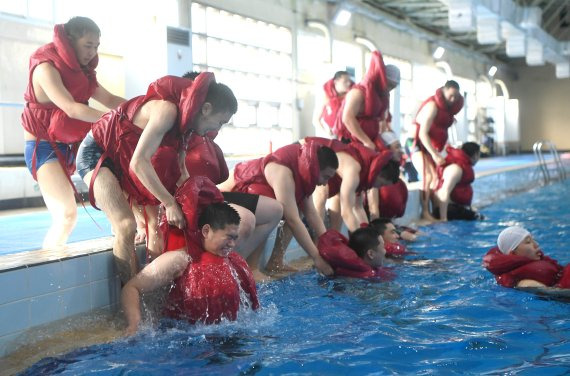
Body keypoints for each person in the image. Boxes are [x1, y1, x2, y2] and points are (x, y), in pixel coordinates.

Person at [76, 72, 237, 284]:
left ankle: (152, 291)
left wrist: (200, 206)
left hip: (123, 157)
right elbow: (139, 162)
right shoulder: (167, 111)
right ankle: (129, 296)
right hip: (98, 153)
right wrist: (169, 203)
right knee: (126, 225)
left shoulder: (188, 126)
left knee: (159, 227)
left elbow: (181, 171)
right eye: (220, 122)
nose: (218, 129)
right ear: (206, 109)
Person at [21, 16, 124, 250]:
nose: (92, 52)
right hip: (43, 147)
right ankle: (48, 262)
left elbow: (108, 99)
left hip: (73, 145)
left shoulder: (83, 72)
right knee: (66, 215)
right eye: (88, 45)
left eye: (96, 47)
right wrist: (116, 120)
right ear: (69, 41)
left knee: (119, 188)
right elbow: (71, 108)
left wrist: (142, 109)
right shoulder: (45, 68)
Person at [122, 176, 259, 335]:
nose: (232, 245)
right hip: (182, 335)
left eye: (234, 238)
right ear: (206, 231)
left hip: (220, 331)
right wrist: (134, 324)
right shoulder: (180, 259)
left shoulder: (227, 257)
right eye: (228, 238)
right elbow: (131, 288)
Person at [218, 141, 338, 276]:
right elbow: (292, 220)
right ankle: (252, 268)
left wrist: (329, 243)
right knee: (271, 208)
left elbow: (311, 214)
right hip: (227, 195)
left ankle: (276, 261)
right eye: (326, 177)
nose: (325, 183)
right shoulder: (283, 171)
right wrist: (316, 257)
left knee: (296, 209)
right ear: (315, 168)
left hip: (249, 198)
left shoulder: (304, 171)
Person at [303, 137, 397, 233]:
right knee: (322, 192)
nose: (378, 187)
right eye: (381, 184)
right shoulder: (354, 169)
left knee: (338, 197)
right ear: (379, 173)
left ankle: (332, 237)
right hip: (302, 150)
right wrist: (362, 241)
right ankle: (319, 239)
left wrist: (370, 235)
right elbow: (347, 212)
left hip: (318, 165)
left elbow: (358, 207)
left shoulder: (364, 172)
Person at [411, 80, 464, 221]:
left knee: (435, 178)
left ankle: (435, 211)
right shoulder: (432, 106)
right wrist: (435, 155)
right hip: (415, 143)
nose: (453, 100)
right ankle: (425, 212)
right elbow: (422, 134)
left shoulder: (447, 110)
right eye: (451, 95)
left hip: (428, 147)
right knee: (428, 176)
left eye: (456, 97)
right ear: (444, 91)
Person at [335, 51, 400, 151]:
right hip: (349, 141)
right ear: (382, 79)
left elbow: (382, 121)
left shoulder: (383, 96)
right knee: (354, 167)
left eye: (393, 87)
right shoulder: (358, 92)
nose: (390, 89)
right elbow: (347, 118)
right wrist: (366, 141)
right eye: (389, 84)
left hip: (370, 141)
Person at [483, 226, 570, 289]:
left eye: (533, 240)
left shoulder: (539, 264)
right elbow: (559, 296)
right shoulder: (526, 283)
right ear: (513, 253)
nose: (536, 245)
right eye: (528, 242)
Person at [318, 227, 394, 280]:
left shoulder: (342, 270)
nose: (385, 251)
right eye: (383, 247)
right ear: (371, 254)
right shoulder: (367, 279)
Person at [433, 142, 482, 221]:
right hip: (448, 209)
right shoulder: (456, 169)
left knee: (475, 213)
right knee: (479, 217)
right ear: (475, 155)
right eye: (479, 155)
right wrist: (443, 219)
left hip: (454, 207)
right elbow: (443, 192)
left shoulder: (462, 166)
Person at [368, 131, 409, 221]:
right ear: (387, 149)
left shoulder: (393, 172)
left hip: (390, 221)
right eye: (397, 147)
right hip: (379, 223)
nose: (401, 151)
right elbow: (373, 209)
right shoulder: (378, 174)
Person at [312, 71, 353, 138]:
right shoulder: (325, 97)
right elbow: (316, 120)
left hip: (348, 136)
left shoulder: (351, 96)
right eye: (345, 81)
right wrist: (326, 131)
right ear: (336, 82)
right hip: (330, 136)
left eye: (349, 81)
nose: (348, 84)